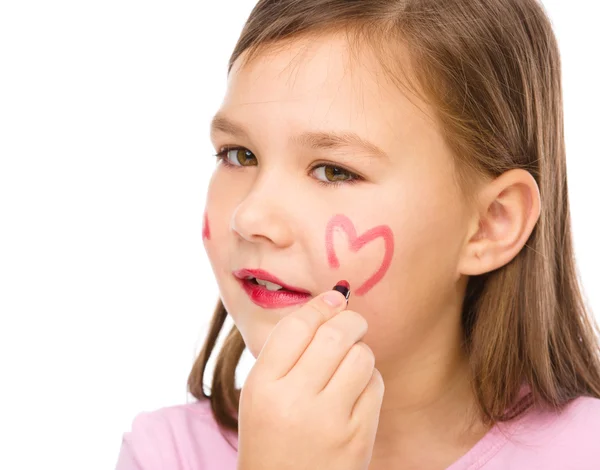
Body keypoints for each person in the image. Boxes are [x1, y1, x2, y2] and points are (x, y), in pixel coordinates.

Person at [115, 0, 600, 468]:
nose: (251, 216)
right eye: (239, 155)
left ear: (490, 223)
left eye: (333, 171)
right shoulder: (166, 455)